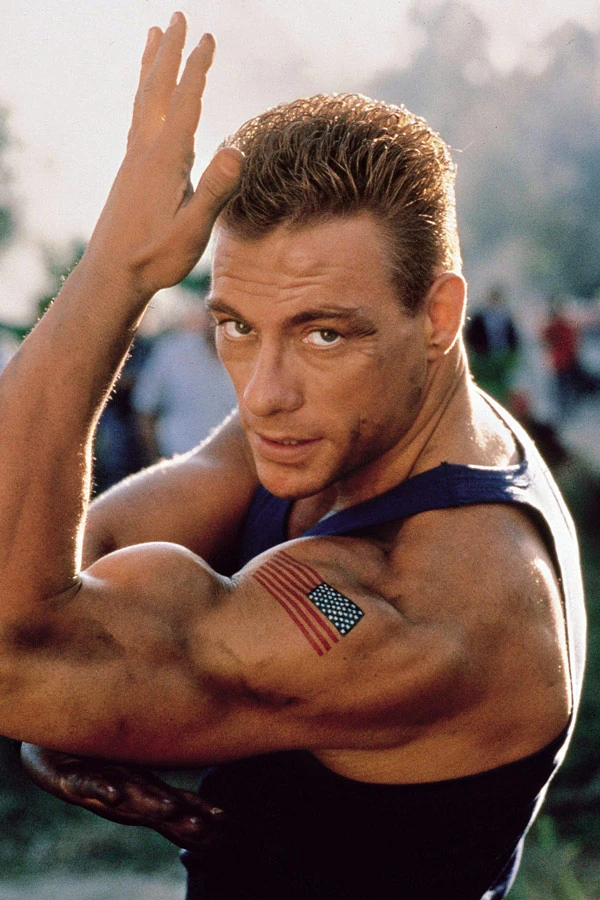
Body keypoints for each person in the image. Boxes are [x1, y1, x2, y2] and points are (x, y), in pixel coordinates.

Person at [0, 13, 586, 900]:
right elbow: (85, 553)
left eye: (323, 333)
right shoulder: (352, 416)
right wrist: (70, 691)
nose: (265, 393)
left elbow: (17, 655)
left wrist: (114, 274)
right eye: (238, 326)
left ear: (437, 316)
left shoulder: (408, 615)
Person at [132, 297, 237, 461]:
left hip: (236, 466)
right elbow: (144, 408)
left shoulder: (255, 357)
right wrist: (155, 462)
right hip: (176, 460)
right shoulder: (172, 350)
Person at [465, 284, 521, 404]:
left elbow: (513, 338)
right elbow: (471, 336)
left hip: (502, 357)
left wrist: (511, 353)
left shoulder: (505, 317)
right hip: (484, 358)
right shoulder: (479, 317)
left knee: (503, 387)